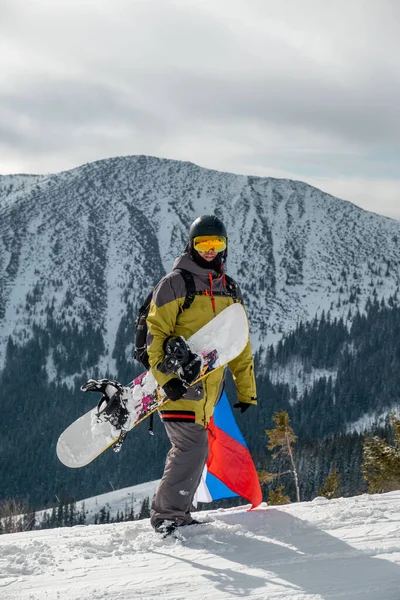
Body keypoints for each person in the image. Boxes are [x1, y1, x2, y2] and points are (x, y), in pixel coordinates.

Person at [146, 215, 257, 534]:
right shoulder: (175, 283)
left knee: (196, 448)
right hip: (178, 385)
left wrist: (246, 390)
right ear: (191, 245)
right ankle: (168, 514)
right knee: (191, 447)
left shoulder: (230, 289)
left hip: (209, 393)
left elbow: (240, 343)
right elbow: (156, 334)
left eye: (216, 244)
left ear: (225, 247)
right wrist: (166, 381)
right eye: (203, 244)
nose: (210, 250)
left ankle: (174, 511)